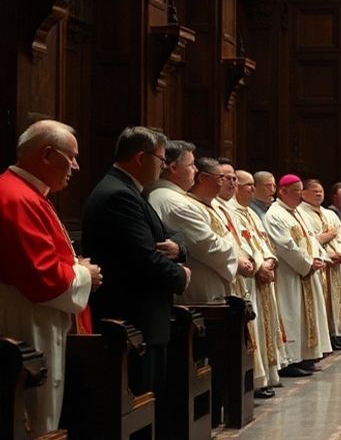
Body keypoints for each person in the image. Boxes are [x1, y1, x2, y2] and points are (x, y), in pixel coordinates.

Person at [0, 120, 100, 436]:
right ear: (46, 154)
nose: (76, 166)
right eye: (71, 157)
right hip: (28, 319)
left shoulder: (30, 194)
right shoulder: (17, 198)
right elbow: (41, 276)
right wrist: (85, 273)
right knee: (34, 416)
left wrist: (75, 268)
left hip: (37, 316)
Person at [81, 127, 190, 402]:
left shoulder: (130, 191)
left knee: (149, 402)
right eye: (161, 159)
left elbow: (170, 235)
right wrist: (181, 276)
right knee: (141, 401)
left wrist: (179, 249)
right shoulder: (119, 195)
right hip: (134, 320)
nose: (163, 166)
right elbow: (144, 257)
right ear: (141, 158)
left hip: (145, 320)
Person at [264, 174, 333, 374]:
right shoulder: (275, 214)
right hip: (290, 274)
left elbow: (312, 238)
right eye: (296, 191)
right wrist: (307, 263)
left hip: (307, 270)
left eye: (301, 190)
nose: (300, 196)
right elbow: (285, 246)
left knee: (306, 315)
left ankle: (306, 356)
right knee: (292, 314)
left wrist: (319, 257)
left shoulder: (297, 212)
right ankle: (291, 359)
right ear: (282, 191)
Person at [149, 157, 242, 303]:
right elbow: (207, 244)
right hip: (199, 288)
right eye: (221, 177)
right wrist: (232, 247)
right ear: (203, 179)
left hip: (215, 281)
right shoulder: (174, 201)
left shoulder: (210, 204)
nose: (225, 182)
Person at [230, 169, 288, 399]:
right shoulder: (231, 212)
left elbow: (264, 242)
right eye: (248, 185)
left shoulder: (251, 214)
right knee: (256, 330)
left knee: (266, 328)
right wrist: (259, 266)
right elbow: (240, 247)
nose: (252, 189)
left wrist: (270, 260)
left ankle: (268, 376)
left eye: (254, 185)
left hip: (263, 275)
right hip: (251, 280)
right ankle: (257, 379)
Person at [299, 179, 341, 350]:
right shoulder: (301, 213)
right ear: (303, 193)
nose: (319, 194)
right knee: (322, 301)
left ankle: (336, 334)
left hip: (335, 263)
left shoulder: (329, 214)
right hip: (321, 264)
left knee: (336, 301)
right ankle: (326, 338)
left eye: (321, 191)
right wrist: (327, 253)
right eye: (314, 191)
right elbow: (307, 240)